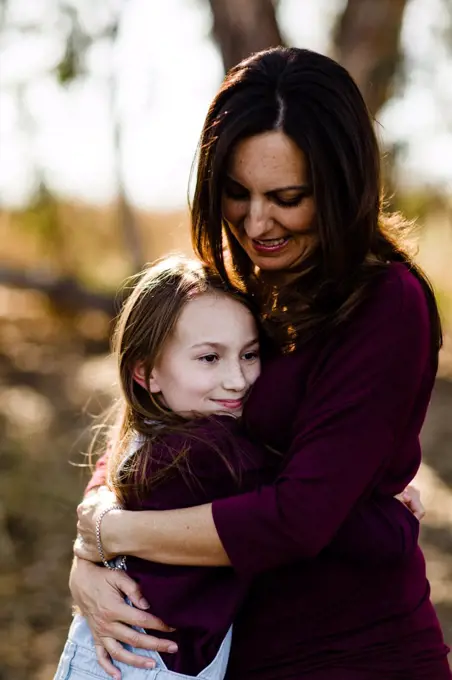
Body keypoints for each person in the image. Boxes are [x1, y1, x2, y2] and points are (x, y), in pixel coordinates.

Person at [72, 47, 451, 679]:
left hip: (356, 653)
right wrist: (89, 553)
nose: (256, 222)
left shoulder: (387, 305)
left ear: (340, 185)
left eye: (287, 197)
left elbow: (298, 520)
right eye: (236, 193)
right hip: (231, 651)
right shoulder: (232, 285)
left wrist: (113, 536)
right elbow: (149, 423)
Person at [55, 255, 421, 680]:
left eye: (250, 354)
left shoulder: (153, 432)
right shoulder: (208, 455)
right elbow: (314, 515)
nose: (238, 380)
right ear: (146, 372)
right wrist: (375, 495)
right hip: (135, 667)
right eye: (209, 359)